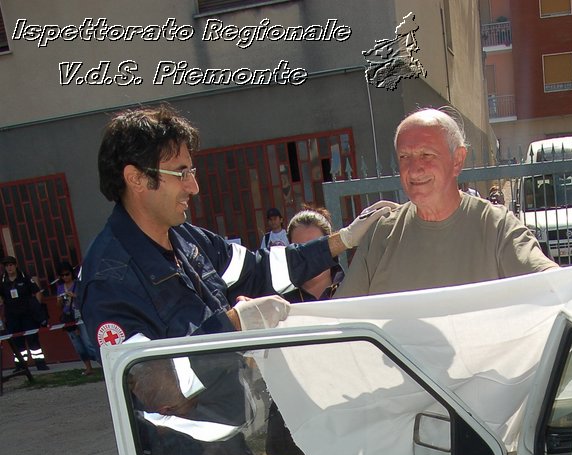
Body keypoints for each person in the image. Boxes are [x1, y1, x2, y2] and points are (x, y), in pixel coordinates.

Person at [77, 103, 394, 351]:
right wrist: (232, 326)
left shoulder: (188, 239)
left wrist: (340, 241)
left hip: (237, 429)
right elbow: (158, 388)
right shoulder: (109, 281)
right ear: (136, 178)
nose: (194, 187)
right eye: (181, 173)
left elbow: (261, 271)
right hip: (185, 437)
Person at [336, 108, 559, 297]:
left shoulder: (497, 227)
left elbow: (552, 284)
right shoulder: (380, 235)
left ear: (457, 160)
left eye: (427, 154)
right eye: (405, 156)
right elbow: (342, 317)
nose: (414, 168)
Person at [0, 256, 50, 371]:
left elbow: (37, 292)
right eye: (7, 265)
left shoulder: (24, 277)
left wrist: (36, 306)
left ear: (16, 265)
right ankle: (21, 366)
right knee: (17, 342)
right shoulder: (2, 281)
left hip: (28, 315)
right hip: (12, 316)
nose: (9, 267)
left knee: (33, 339)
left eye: (11, 265)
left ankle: (40, 363)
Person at [284, 209, 345, 301]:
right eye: (301, 252)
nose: (310, 256)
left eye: (315, 247)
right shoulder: (281, 302)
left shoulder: (352, 287)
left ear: (329, 246)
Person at [54, 261, 98, 375]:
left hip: (80, 316)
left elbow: (86, 299)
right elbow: (59, 307)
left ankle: (102, 364)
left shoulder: (78, 284)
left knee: (88, 342)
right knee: (78, 346)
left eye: (67, 274)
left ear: (71, 273)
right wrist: (59, 301)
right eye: (62, 275)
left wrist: (75, 296)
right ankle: (88, 368)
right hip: (68, 318)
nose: (65, 277)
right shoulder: (59, 288)